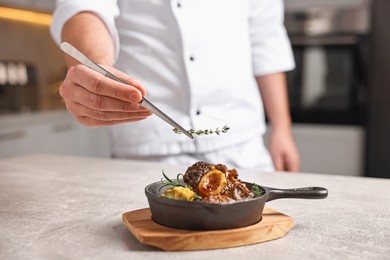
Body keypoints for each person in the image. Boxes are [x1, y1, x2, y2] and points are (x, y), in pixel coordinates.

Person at [50, 0, 300, 171]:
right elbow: (84, 7)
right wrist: (98, 72)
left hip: (242, 142)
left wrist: (281, 129)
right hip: (149, 147)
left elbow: (265, 39)